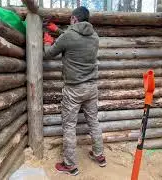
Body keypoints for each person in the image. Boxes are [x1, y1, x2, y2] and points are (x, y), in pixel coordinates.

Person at [43, 6, 106, 176]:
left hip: (74, 89)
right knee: (93, 121)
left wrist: (47, 40)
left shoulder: (69, 36)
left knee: (69, 126)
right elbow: (73, 38)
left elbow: (48, 53)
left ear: (73, 19)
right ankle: (99, 155)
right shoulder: (94, 37)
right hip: (92, 88)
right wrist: (57, 29)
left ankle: (70, 165)